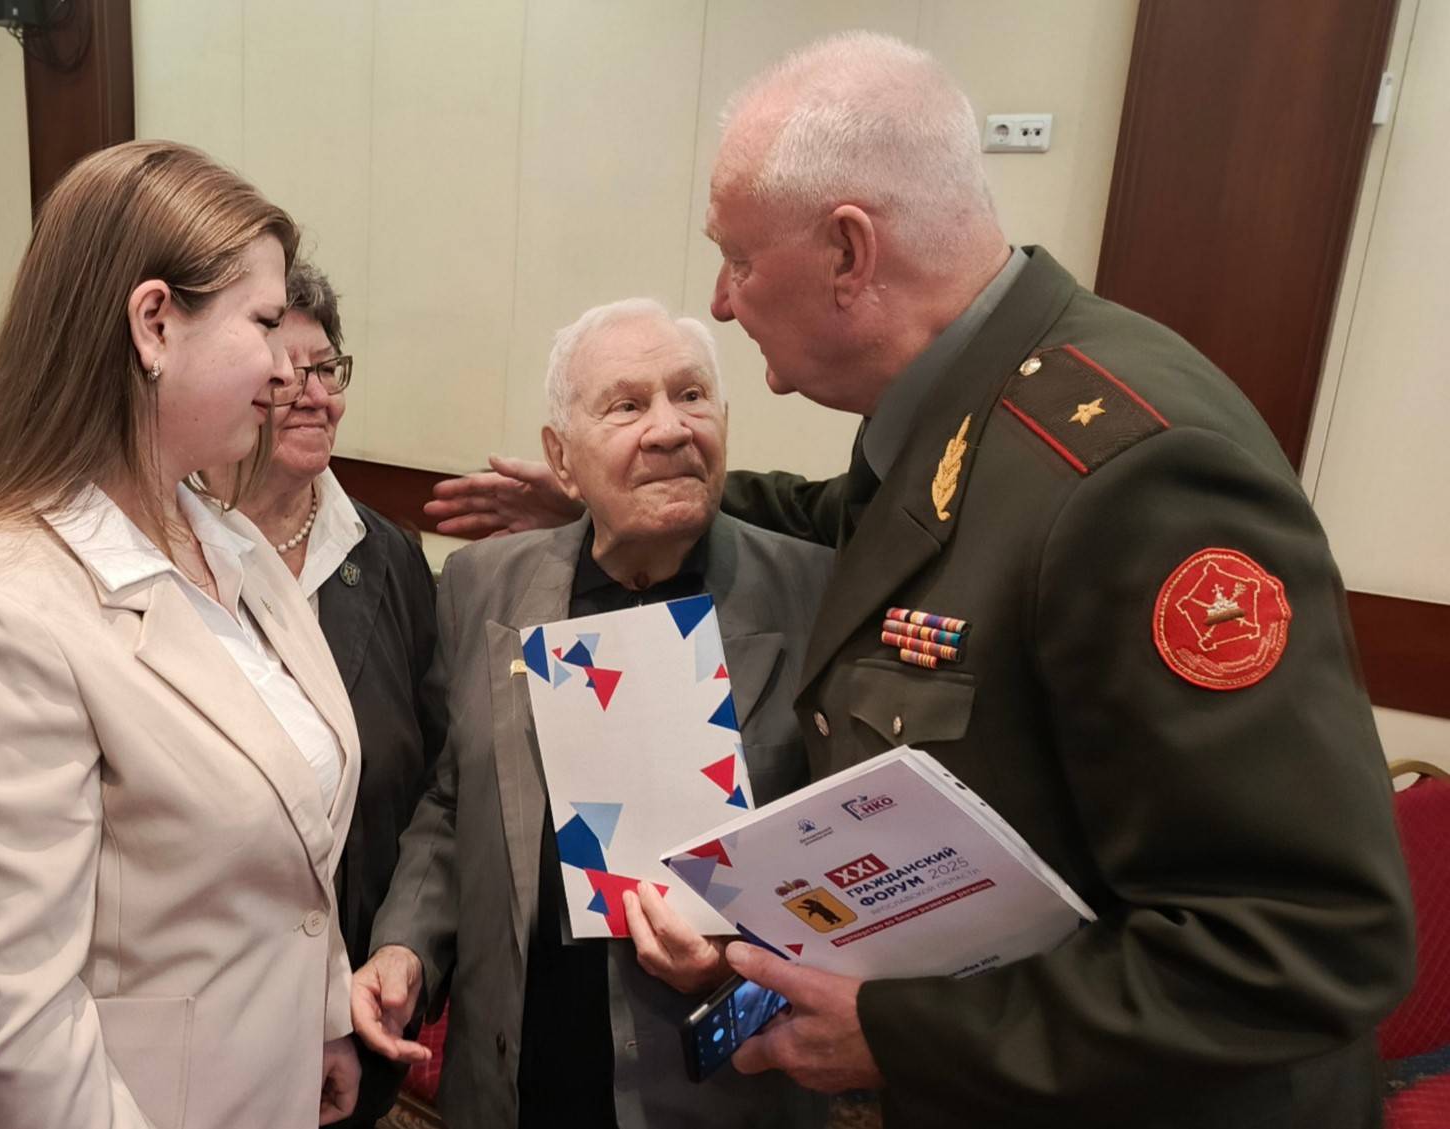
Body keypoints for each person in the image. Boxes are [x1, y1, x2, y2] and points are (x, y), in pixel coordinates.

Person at [419, 32, 1413, 1129]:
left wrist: (902, 1031)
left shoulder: (1135, 476)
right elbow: (855, 520)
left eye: (738, 260)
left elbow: (1306, 939)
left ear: (849, 253)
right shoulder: (963, 418)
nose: (725, 299)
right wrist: (627, 496)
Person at [0, 140, 364, 1129]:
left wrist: (320, 1012)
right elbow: (12, 1020)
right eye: (264, 324)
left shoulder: (225, 537)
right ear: (154, 323)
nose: (285, 368)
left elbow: (290, 837)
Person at [351, 298, 832, 1129]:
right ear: (560, 460)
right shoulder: (483, 585)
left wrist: (738, 962)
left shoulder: (816, 594)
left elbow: (849, 857)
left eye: (691, 395)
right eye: (626, 405)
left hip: (721, 1093)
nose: (669, 428)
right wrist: (404, 945)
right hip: (516, 1077)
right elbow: (454, 800)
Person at [200, 260, 448, 1128]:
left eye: (326, 369)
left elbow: (436, 786)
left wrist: (395, 953)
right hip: (199, 1026)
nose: (313, 396)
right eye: (283, 375)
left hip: (359, 1015)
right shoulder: (165, 557)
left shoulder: (391, 556)